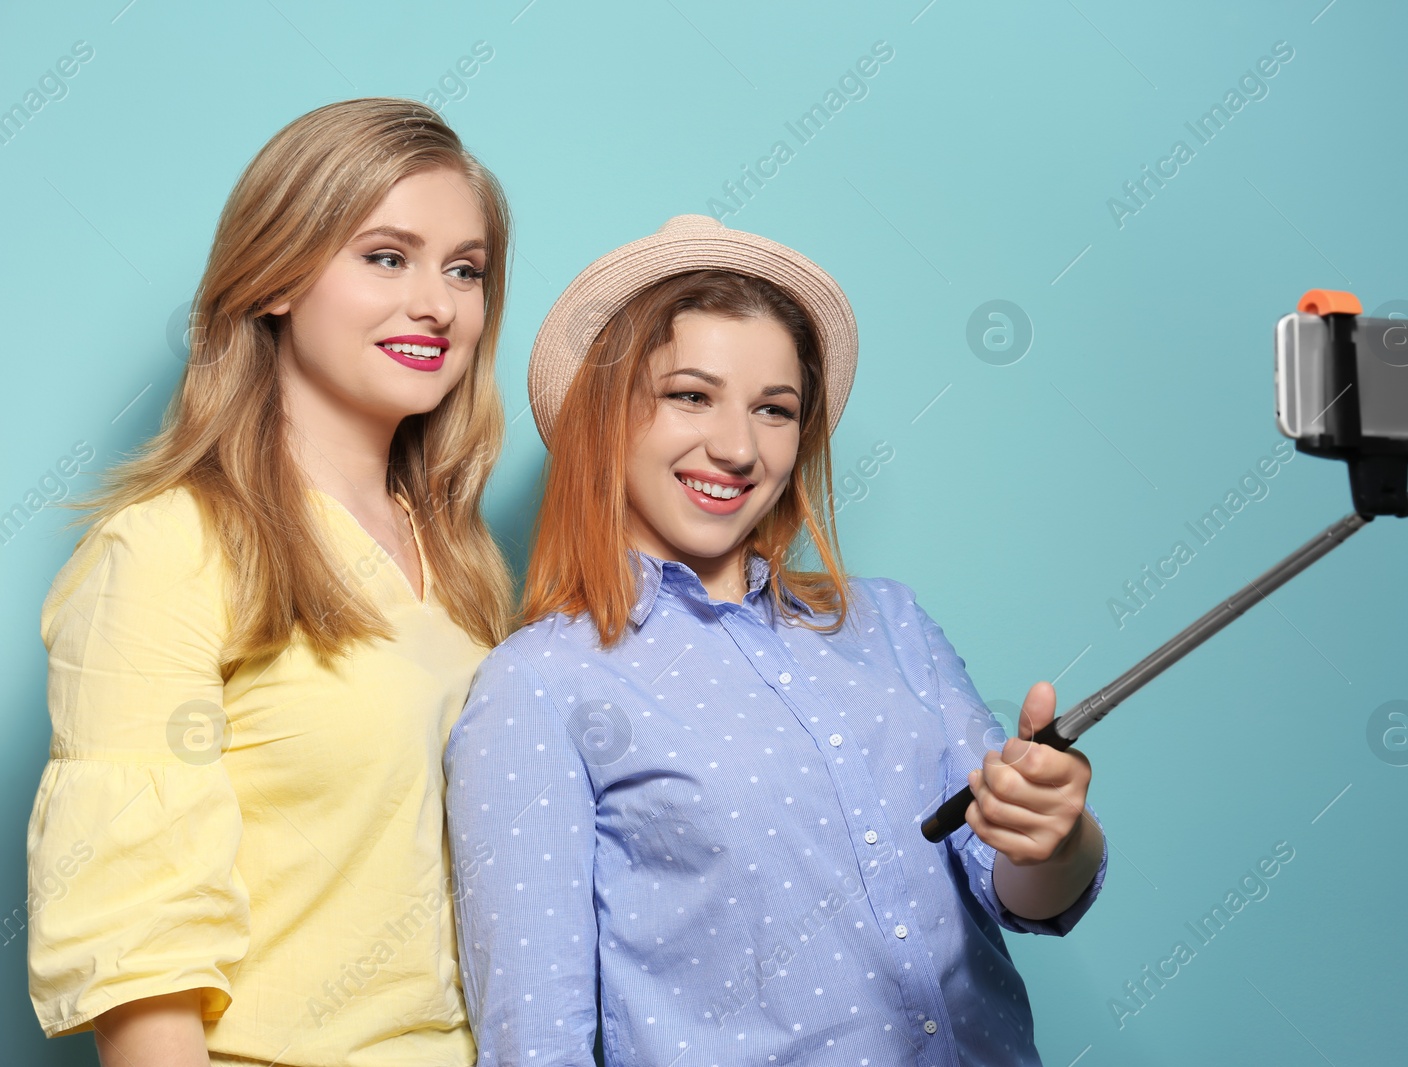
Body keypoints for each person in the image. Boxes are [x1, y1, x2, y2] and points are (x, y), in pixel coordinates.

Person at [445, 214, 1108, 1065]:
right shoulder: (538, 685)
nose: (737, 446)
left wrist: (1055, 830)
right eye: (691, 395)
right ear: (605, 414)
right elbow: (536, 1040)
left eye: (775, 409)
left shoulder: (891, 624)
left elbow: (1021, 888)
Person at [25, 98, 515, 1067]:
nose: (438, 302)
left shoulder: (467, 570)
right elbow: (139, 958)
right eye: (387, 255)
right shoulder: (166, 549)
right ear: (279, 276)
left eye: (466, 269)